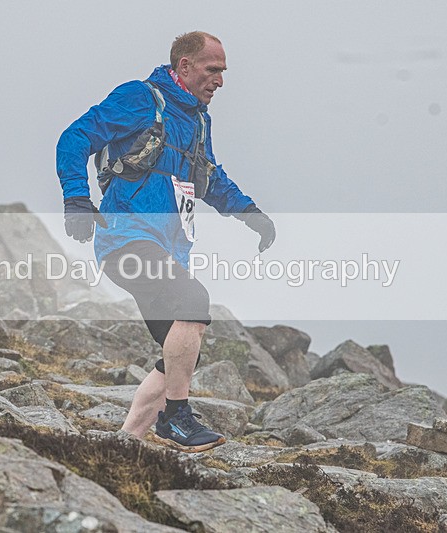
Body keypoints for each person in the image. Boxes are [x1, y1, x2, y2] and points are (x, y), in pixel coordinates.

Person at [56, 31, 275, 453]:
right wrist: (76, 200)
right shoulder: (141, 99)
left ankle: (126, 445)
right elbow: (74, 137)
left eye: (224, 72)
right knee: (193, 303)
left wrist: (250, 214)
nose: (221, 81)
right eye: (214, 70)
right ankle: (175, 419)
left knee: (179, 354)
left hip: (168, 249)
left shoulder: (197, 120)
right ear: (185, 66)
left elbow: (209, 178)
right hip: (126, 241)